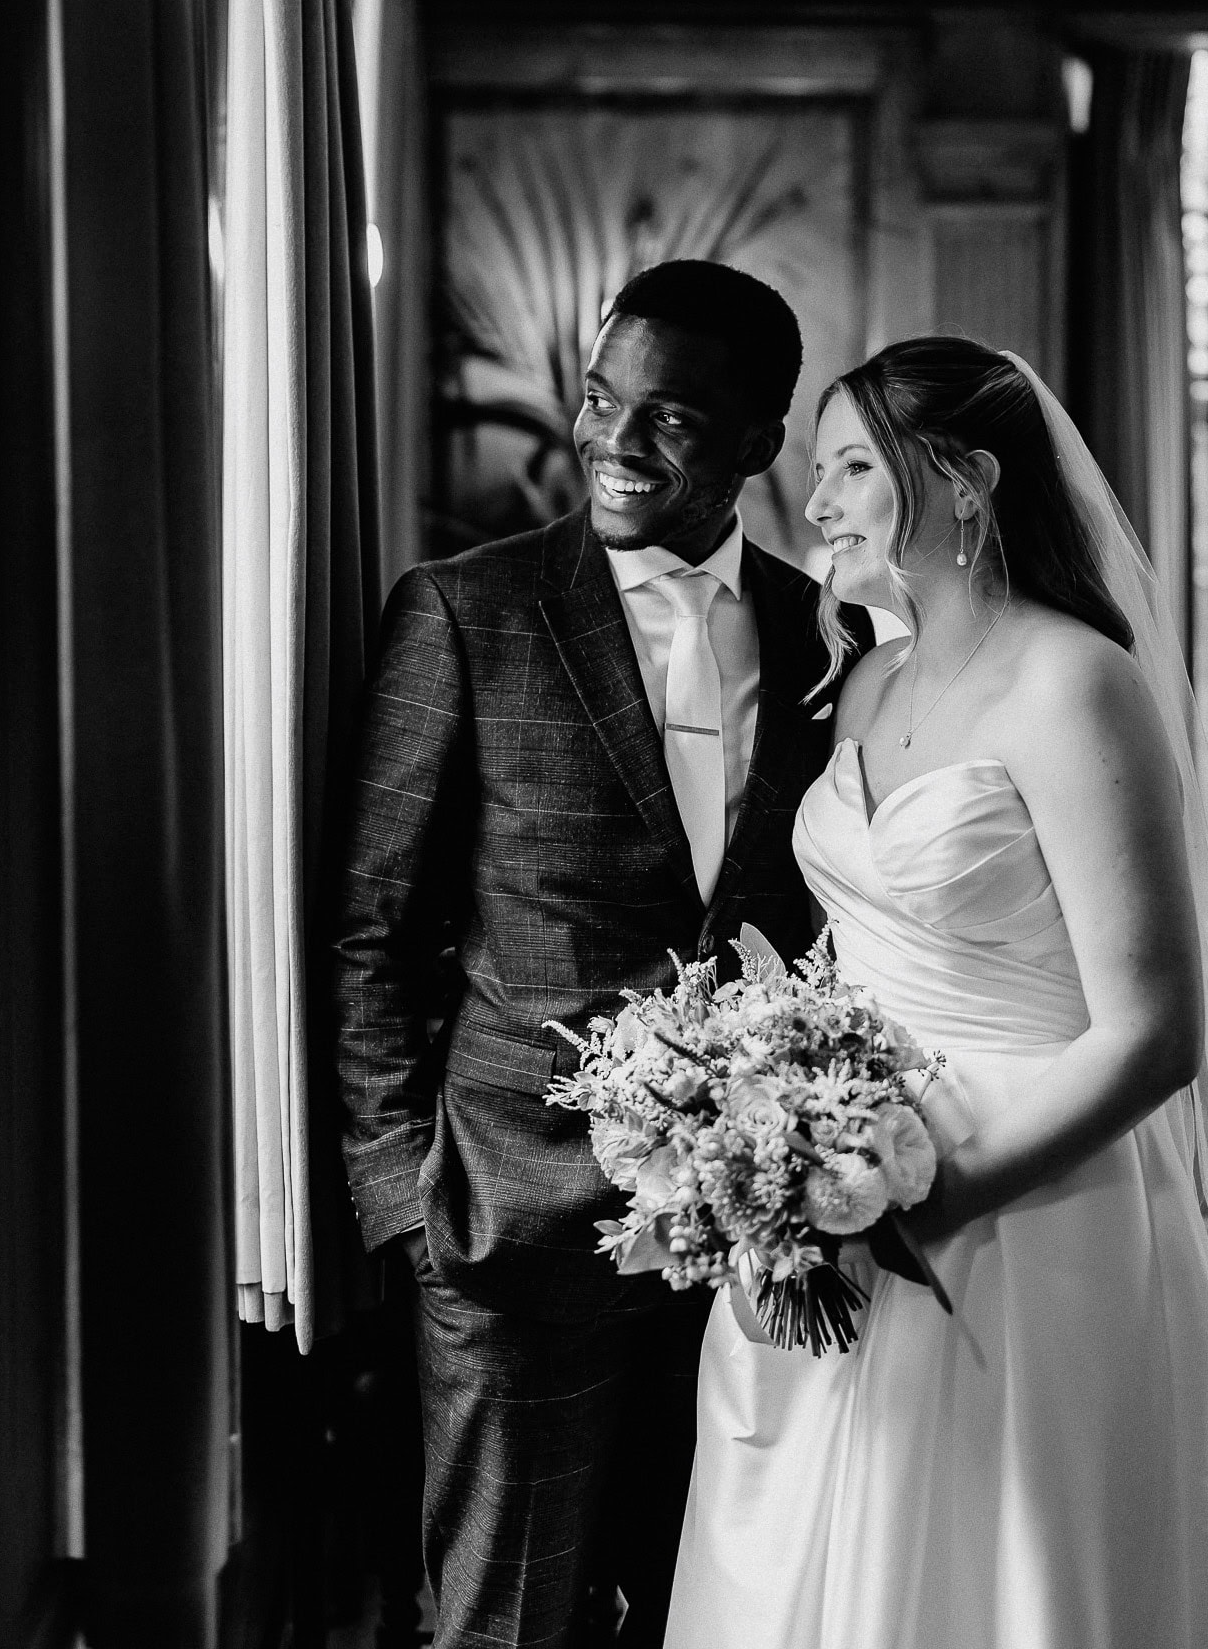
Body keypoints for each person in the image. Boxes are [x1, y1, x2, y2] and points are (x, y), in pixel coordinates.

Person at [665, 335, 1208, 1649]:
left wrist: (924, 1194)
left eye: (852, 466)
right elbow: (866, 951)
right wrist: (779, 1118)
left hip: (1031, 1211)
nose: (818, 502)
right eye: (820, 469)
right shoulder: (864, 680)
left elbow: (1151, 1036)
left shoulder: (1074, 684)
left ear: (961, 480)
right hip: (838, 1197)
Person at [329, 260, 874, 1649]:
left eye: (673, 421)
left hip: (764, 1241)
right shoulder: (463, 612)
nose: (615, 443)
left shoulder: (838, 634)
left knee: (720, 1610)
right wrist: (406, 1202)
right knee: (503, 1619)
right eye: (597, 398)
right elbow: (373, 929)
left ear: (759, 444)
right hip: (508, 1231)